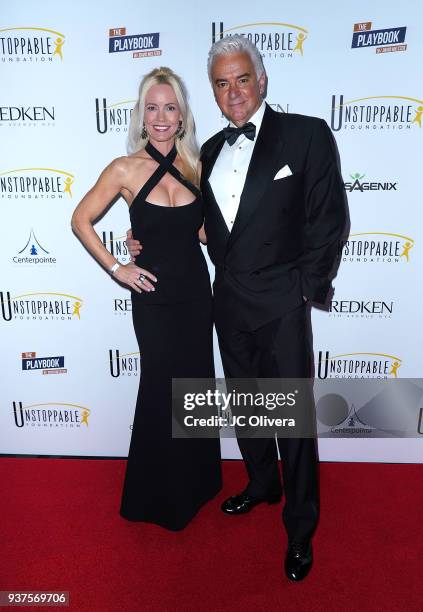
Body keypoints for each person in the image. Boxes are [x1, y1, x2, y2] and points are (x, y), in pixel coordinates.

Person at [127, 36, 346, 579]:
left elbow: (329, 219)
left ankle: (300, 529)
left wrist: (305, 289)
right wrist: (140, 244)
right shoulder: (207, 155)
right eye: (222, 84)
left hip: (280, 305)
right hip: (224, 303)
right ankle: (261, 483)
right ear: (214, 94)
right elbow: (192, 224)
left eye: (241, 79)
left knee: (292, 423)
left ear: (262, 80)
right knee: (249, 408)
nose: (234, 92)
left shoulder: (306, 135)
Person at [71, 66, 221, 531]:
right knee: (160, 386)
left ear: (181, 117)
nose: (160, 116)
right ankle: (156, 496)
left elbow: (200, 232)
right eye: (152, 107)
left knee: (194, 383)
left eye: (169, 107)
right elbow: (80, 220)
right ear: (141, 115)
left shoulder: (196, 165)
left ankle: (197, 484)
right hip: (154, 298)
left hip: (198, 294)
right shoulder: (124, 168)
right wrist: (119, 268)